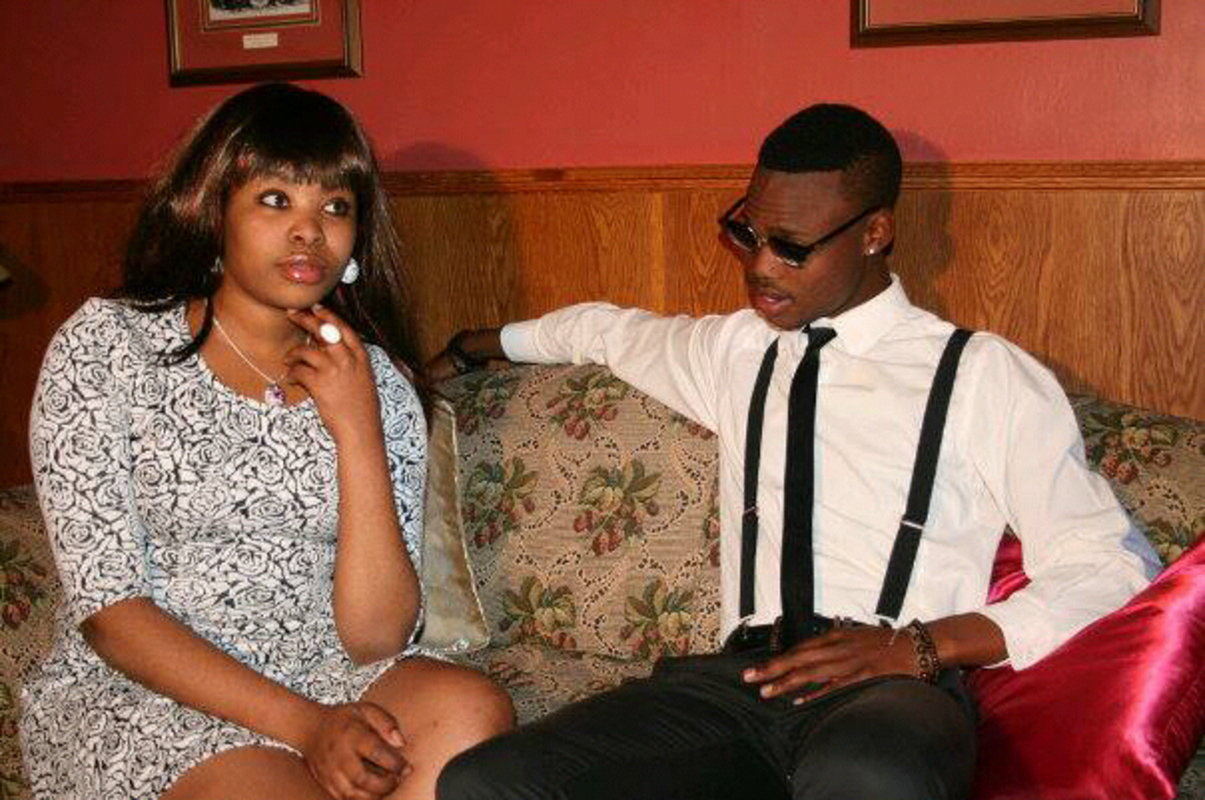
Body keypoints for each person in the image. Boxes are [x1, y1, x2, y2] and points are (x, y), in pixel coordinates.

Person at [427, 104, 1157, 800]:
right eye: (748, 234)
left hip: (890, 692)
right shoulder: (735, 350)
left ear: (874, 233)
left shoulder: (979, 374)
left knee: (867, 779)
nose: (760, 267)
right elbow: (603, 332)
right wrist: (466, 349)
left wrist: (921, 647)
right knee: (488, 782)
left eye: (792, 247)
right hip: (738, 684)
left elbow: (1109, 564)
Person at [22, 82, 512, 800]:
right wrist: (308, 727)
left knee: (468, 712)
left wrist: (358, 428)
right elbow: (111, 615)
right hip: (151, 687)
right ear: (214, 210)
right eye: (276, 200)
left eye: (335, 207)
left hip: (324, 669)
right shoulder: (108, 346)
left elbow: (376, 638)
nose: (309, 231)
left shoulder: (374, 379)